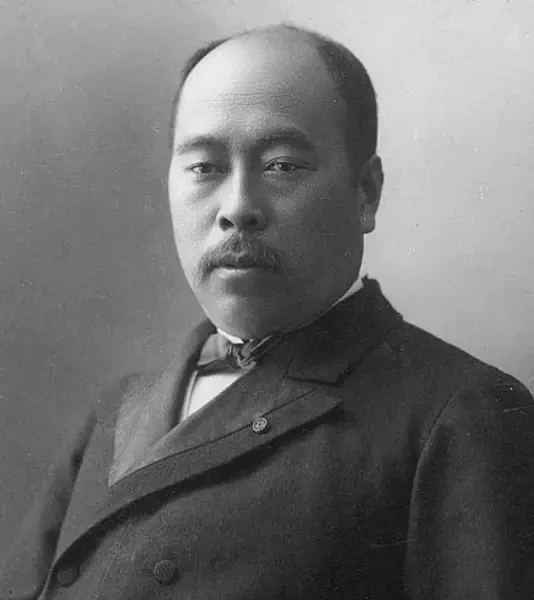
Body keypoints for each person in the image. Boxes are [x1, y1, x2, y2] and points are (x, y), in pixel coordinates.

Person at [1, 23, 533, 600]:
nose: (237, 208)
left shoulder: (462, 413)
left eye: (282, 165)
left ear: (366, 193)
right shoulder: (117, 411)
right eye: (205, 167)